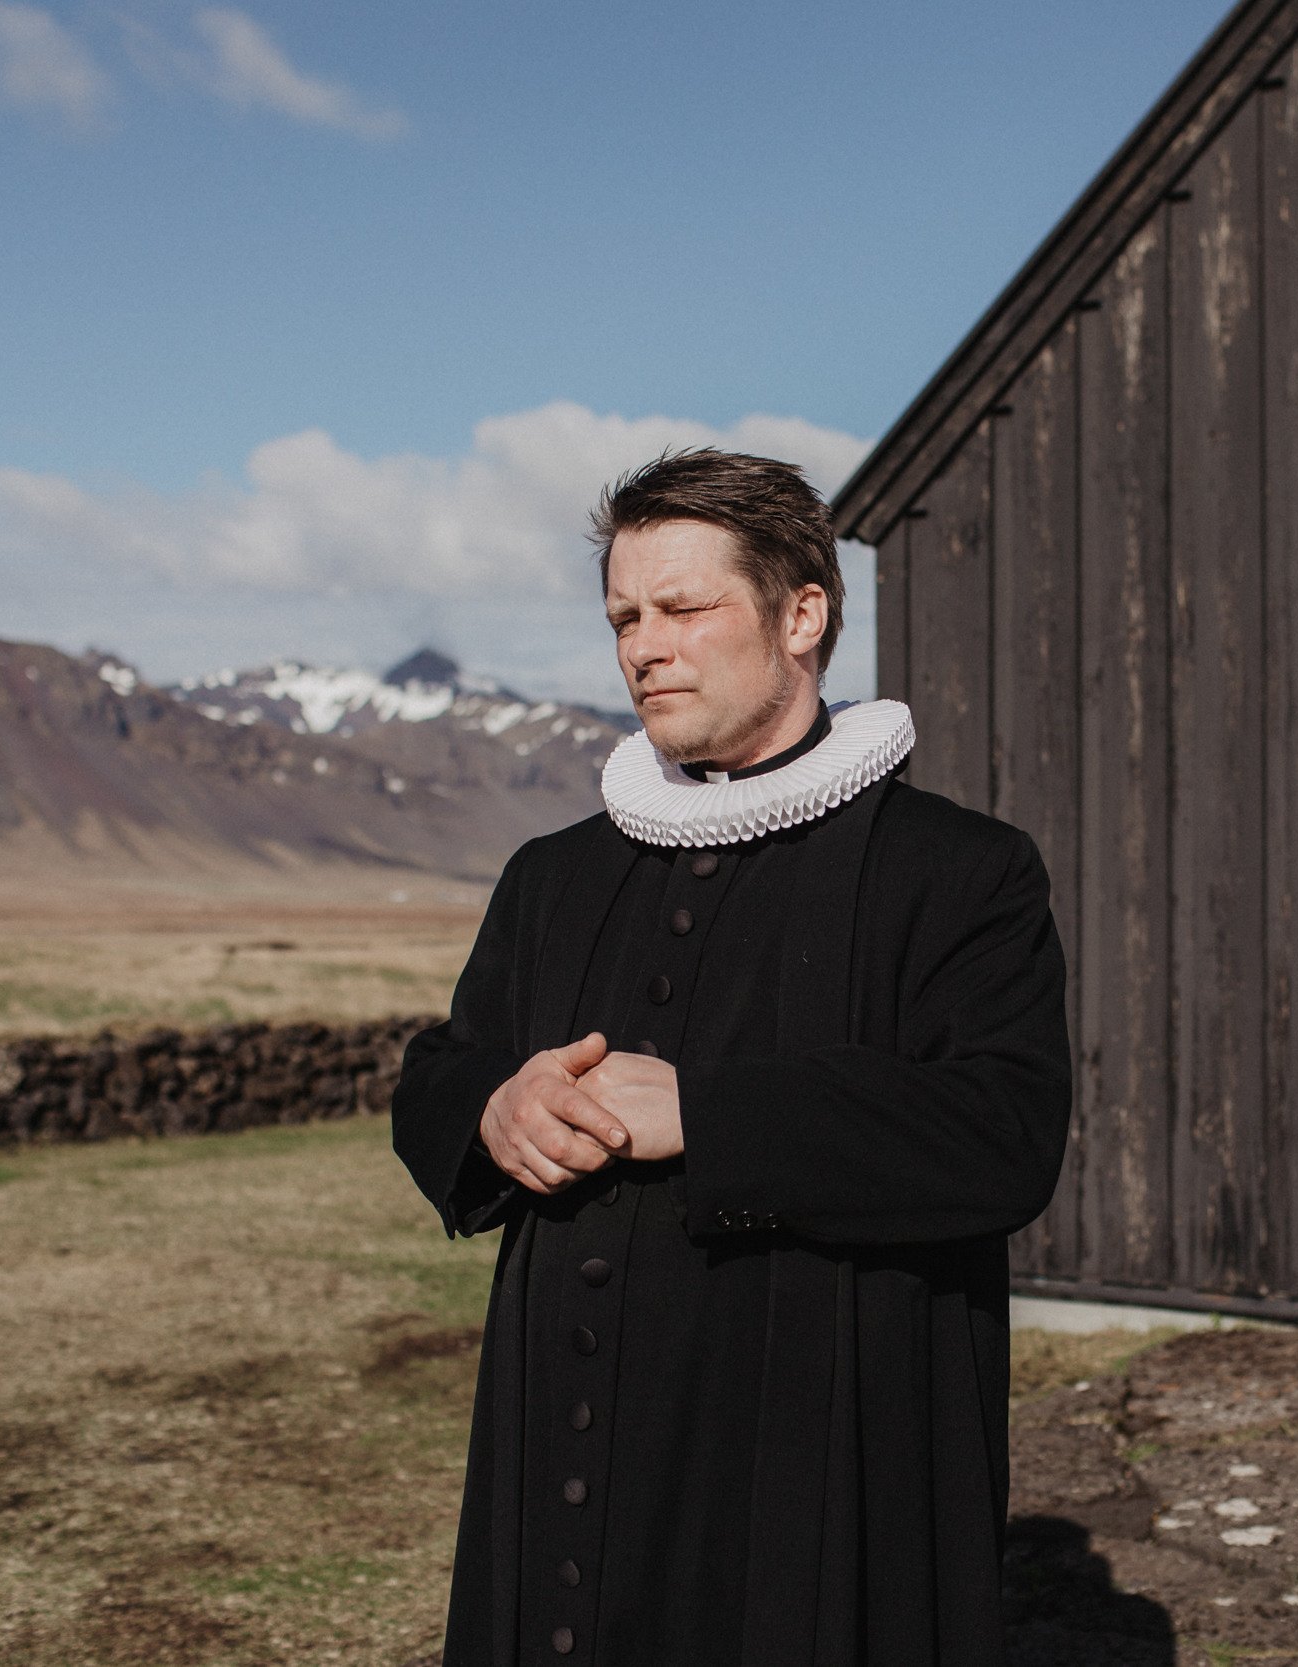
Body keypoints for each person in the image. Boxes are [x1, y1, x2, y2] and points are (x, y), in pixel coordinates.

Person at [393, 447, 1072, 1667]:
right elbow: (441, 1068)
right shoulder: (552, 874)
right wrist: (494, 1108)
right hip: (561, 1460)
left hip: (810, 1468)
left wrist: (707, 1111)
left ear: (801, 613)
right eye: (622, 617)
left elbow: (1002, 1131)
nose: (643, 646)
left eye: (683, 608)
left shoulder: (961, 870)